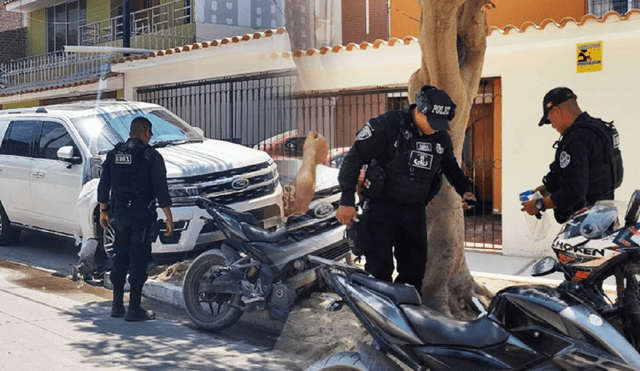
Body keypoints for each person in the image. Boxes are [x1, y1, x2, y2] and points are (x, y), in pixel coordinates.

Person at [335, 85, 476, 293]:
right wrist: (346, 200)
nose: (434, 128)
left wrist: (465, 188)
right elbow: (353, 159)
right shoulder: (387, 126)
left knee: (414, 271)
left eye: (439, 124)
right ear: (419, 110)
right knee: (379, 269)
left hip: (414, 211)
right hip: (380, 208)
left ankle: (406, 319)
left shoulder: (439, 136)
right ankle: (379, 317)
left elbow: (449, 165)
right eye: (431, 121)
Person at [98, 117, 174, 321]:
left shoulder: (114, 154)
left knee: (120, 257)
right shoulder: (151, 156)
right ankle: (134, 309)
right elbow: (161, 188)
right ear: (145, 132)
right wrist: (168, 215)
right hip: (141, 216)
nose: (150, 137)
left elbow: (104, 183)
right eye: (150, 133)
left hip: (119, 215)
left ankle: (116, 305)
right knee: (138, 260)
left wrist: (103, 210)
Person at [521, 87, 623, 223]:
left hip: (586, 224)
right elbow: (590, 171)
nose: (552, 126)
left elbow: (574, 190)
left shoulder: (576, 139)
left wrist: (540, 204)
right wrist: (547, 187)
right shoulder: (600, 128)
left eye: (550, 120)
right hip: (607, 216)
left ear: (556, 111)